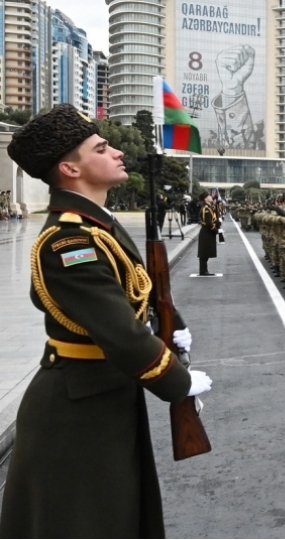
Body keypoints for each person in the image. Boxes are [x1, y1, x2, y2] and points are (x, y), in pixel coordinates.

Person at [0, 104, 212, 537]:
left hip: (106, 396)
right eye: (101, 147)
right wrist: (178, 383)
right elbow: (120, 332)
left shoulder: (99, 226)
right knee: (89, 522)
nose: (116, 152)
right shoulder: (68, 241)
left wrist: (171, 323)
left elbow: (138, 289)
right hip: (75, 414)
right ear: (69, 168)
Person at [198, 192, 219, 276]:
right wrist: (215, 230)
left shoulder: (209, 207)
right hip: (206, 231)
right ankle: (203, 270)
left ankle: (204, 270)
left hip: (207, 231)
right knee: (204, 252)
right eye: (209, 196)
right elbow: (208, 223)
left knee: (206, 252)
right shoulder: (206, 208)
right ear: (205, 199)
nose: (211, 197)